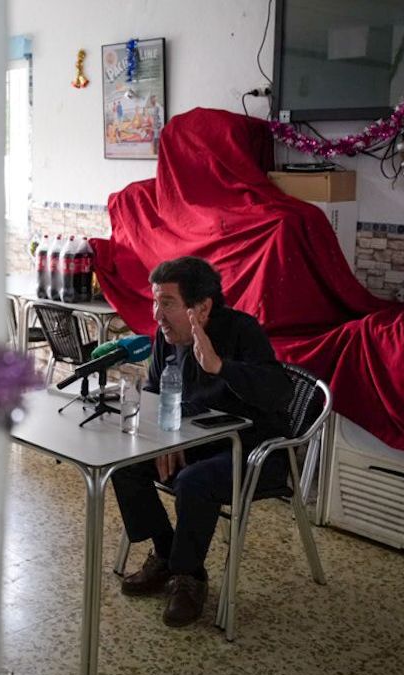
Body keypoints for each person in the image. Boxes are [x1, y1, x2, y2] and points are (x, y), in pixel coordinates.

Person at [108, 256, 292, 628]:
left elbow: (279, 393)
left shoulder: (242, 331)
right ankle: (167, 555)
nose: (157, 314)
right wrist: (166, 439)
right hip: (196, 442)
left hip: (253, 453)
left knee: (194, 483)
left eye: (168, 303)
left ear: (203, 307)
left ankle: (188, 578)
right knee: (124, 463)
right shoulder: (166, 337)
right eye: (155, 301)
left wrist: (221, 367)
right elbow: (157, 393)